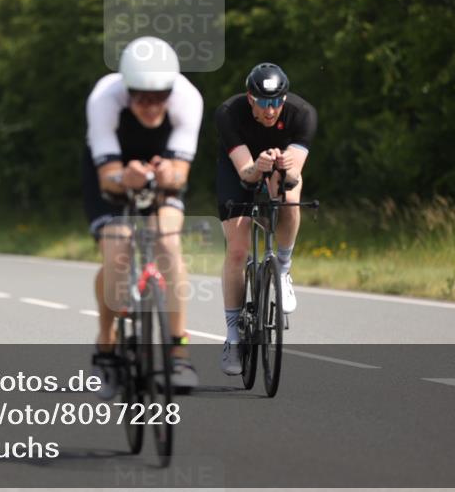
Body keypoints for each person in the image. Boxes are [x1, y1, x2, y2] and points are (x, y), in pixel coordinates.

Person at [84, 36, 203, 396]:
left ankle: (178, 353)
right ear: (127, 88)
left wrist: (169, 175)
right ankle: (107, 345)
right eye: (141, 98)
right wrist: (125, 178)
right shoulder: (104, 99)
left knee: (168, 245)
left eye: (159, 98)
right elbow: (107, 178)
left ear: (171, 91)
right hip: (112, 171)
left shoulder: (187, 98)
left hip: (161, 168)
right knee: (117, 247)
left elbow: (181, 173)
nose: (151, 107)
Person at [214, 63, 317, 375]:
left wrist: (284, 168)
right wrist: (258, 167)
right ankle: (233, 337)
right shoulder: (229, 113)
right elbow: (245, 173)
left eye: (277, 102)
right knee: (237, 248)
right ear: (250, 98)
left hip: (279, 168)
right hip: (239, 168)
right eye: (264, 102)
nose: (271, 111)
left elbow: (295, 175)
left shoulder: (302, 114)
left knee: (289, 200)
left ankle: (282, 268)